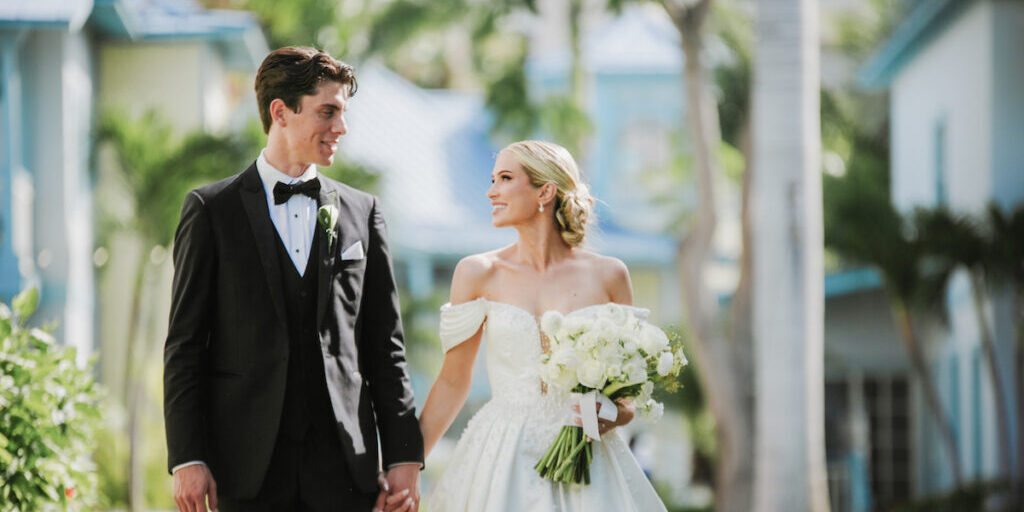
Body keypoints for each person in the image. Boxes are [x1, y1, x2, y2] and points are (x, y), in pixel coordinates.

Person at [163, 46, 423, 512]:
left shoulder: (363, 213)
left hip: (346, 467)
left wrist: (404, 455)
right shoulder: (210, 211)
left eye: (343, 113)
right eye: (328, 112)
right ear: (280, 112)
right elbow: (185, 345)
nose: (341, 127)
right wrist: (188, 456)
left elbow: (387, 345)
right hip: (245, 467)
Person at [418, 140, 668, 511]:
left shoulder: (610, 275)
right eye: (492, 179)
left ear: (545, 191)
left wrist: (610, 414)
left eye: (505, 178)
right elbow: (453, 381)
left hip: (589, 462)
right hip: (501, 456)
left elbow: (626, 402)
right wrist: (404, 466)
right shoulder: (477, 273)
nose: (491, 192)